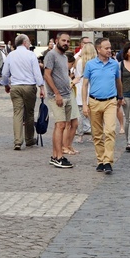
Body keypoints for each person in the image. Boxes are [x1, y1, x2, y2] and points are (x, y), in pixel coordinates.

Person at [82, 38, 123, 175]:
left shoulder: (114, 64)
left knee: (110, 131)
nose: (109, 50)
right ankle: (100, 160)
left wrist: (120, 97)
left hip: (110, 101)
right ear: (98, 49)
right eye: (106, 48)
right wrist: (84, 104)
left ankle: (108, 161)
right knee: (97, 134)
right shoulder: (90, 65)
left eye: (110, 48)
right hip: (94, 101)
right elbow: (85, 85)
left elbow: (118, 81)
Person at [0, 33, 45, 150]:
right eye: (29, 42)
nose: (29, 44)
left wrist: (6, 84)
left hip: (15, 86)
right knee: (29, 113)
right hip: (29, 86)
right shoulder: (31, 55)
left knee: (17, 113)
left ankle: (18, 141)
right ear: (25, 43)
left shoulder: (11, 55)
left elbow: (5, 73)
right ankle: (29, 139)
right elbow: (37, 72)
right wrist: (41, 87)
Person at [43, 32, 75, 169]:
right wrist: (57, 93)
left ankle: (56, 156)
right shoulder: (51, 55)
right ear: (57, 40)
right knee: (61, 125)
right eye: (63, 40)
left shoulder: (63, 56)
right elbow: (47, 75)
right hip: (57, 96)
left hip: (66, 95)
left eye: (68, 41)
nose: (66, 43)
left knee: (60, 126)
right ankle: (59, 157)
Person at [74, 43, 96, 142]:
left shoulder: (79, 61)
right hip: (92, 89)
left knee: (80, 115)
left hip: (80, 89)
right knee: (93, 116)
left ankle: (80, 136)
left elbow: (76, 74)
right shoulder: (95, 62)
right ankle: (93, 135)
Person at [63, 51, 80, 156]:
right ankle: (64, 146)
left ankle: (69, 145)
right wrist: (73, 82)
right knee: (67, 124)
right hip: (67, 99)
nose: (72, 66)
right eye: (71, 64)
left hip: (72, 98)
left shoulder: (67, 72)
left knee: (75, 123)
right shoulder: (61, 72)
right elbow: (64, 88)